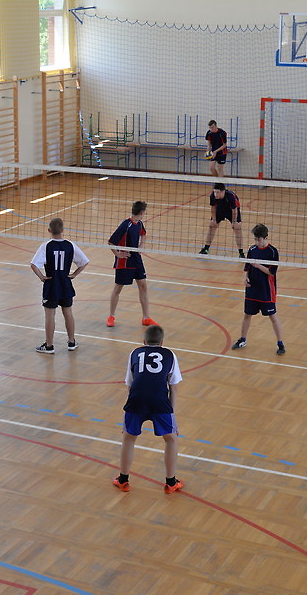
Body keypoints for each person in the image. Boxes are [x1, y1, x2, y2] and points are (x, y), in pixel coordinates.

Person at [112, 324, 183, 494]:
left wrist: (129, 411)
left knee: (128, 438)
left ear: (144, 341)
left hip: (136, 400)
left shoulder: (135, 353)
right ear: (162, 343)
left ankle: (123, 480)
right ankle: (171, 482)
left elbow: (130, 384)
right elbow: (173, 388)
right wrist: (171, 416)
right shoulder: (170, 355)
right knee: (171, 439)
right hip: (160, 401)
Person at [30, 218, 90, 354]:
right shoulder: (70, 245)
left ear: (49, 230)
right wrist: (74, 274)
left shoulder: (46, 246)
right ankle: (71, 342)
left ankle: (49, 346)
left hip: (51, 285)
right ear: (63, 230)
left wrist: (42, 277)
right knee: (68, 312)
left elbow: (33, 265)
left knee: (50, 315)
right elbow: (84, 262)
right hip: (65, 284)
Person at [231, 223, 285, 354]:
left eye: (258, 239)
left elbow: (271, 272)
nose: (256, 242)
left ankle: (280, 344)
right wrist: (245, 278)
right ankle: (243, 339)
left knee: (272, 316)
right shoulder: (252, 249)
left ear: (266, 237)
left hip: (266, 290)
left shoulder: (272, 252)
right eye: (255, 239)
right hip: (252, 289)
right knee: (247, 315)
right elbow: (247, 268)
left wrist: (258, 265)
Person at [107, 200, 156, 328]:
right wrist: (118, 254)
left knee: (143, 286)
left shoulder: (139, 223)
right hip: (125, 261)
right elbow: (111, 242)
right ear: (142, 212)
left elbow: (143, 235)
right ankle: (111, 316)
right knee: (118, 288)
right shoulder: (126, 224)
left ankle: (146, 318)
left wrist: (141, 246)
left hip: (136, 259)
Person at [199, 183, 245, 258]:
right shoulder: (212, 196)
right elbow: (213, 207)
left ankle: (241, 253)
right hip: (220, 209)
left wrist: (234, 222)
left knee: (237, 228)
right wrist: (214, 220)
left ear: (223, 191)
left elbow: (234, 210)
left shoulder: (230, 196)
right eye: (214, 192)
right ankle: (206, 249)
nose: (215, 194)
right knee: (212, 226)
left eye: (217, 192)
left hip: (231, 211)